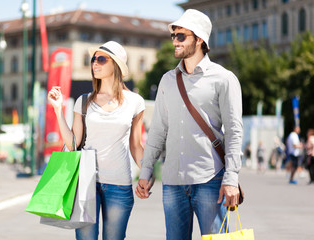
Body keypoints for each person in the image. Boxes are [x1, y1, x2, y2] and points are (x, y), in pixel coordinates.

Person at [135, 9, 243, 239]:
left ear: (200, 39)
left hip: (211, 180)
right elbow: (157, 131)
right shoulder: (167, 80)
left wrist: (231, 178)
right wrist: (145, 171)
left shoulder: (224, 79)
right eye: (174, 36)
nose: (175, 41)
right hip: (172, 182)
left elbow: (234, 132)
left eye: (181, 36)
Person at [47, 41, 146, 240]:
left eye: (101, 59)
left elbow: (136, 145)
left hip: (119, 184)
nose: (95, 63)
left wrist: (146, 174)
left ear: (116, 65)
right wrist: (58, 111)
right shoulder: (83, 101)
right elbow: (74, 144)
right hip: (86, 182)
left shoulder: (135, 102)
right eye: (93, 59)